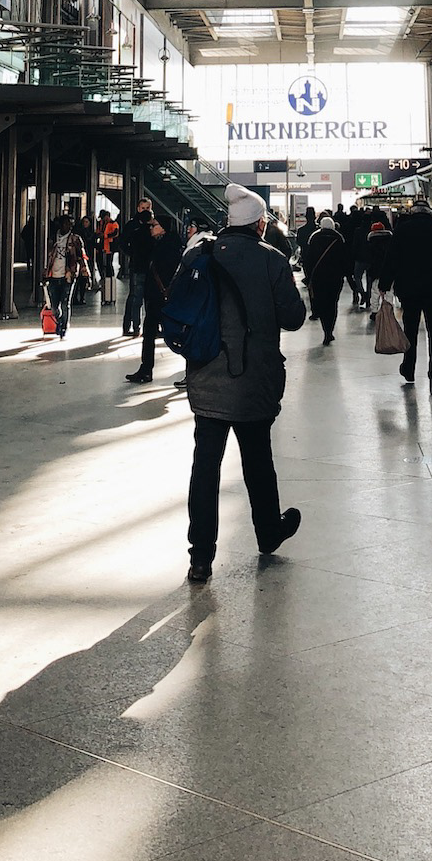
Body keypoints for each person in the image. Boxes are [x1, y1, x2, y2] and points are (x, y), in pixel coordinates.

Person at [185, 185, 307, 582]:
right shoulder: (271, 260)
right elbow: (294, 318)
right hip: (254, 378)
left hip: (206, 378)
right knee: (257, 460)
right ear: (259, 225)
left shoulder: (198, 254)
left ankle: (200, 556)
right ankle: (269, 532)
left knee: (205, 467)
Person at [376, 204, 432, 387]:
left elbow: (392, 258)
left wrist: (384, 284)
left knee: (410, 329)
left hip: (409, 288)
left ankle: (409, 368)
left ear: (412, 214)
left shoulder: (403, 230)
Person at [126, 212, 183, 384]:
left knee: (176, 335)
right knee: (151, 332)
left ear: (163, 229)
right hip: (157, 297)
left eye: (154, 225)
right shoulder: (160, 244)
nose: (151, 227)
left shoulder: (169, 248)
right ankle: (145, 369)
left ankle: (147, 370)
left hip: (162, 298)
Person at [304, 210, 348, 344]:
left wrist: (309, 275)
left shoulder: (314, 238)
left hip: (318, 277)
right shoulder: (339, 238)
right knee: (332, 303)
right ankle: (330, 330)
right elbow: (344, 259)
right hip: (335, 277)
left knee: (322, 303)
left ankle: (325, 330)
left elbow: (308, 259)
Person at [43, 217, 90, 339]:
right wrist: (45, 272)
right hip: (53, 275)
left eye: (70, 224)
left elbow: (81, 256)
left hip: (68, 275)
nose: (68, 226)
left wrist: (85, 272)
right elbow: (48, 257)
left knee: (65, 302)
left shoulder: (75, 239)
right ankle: (59, 320)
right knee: (54, 306)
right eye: (66, 224)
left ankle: (63, 326)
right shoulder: (53, 239)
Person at [120, 203, 154, 338]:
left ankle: (136, 327)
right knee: (136, 297)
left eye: (147, 208)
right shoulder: (135, 227)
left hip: (140, 266)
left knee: (136, 298)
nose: (145, 210)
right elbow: (122, 242)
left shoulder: (140, 229)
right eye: (143, 208)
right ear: (138, 208)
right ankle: (133, 326)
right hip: (141, 266)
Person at [98, 209, 120, 308]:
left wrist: (105, 236)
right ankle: (106, 278)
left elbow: (116, 233)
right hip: (104, 247)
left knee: (109, 264)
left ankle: (110, 277)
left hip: (110, 247)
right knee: (104, 264)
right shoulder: (102, 224)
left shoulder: (113, 223)